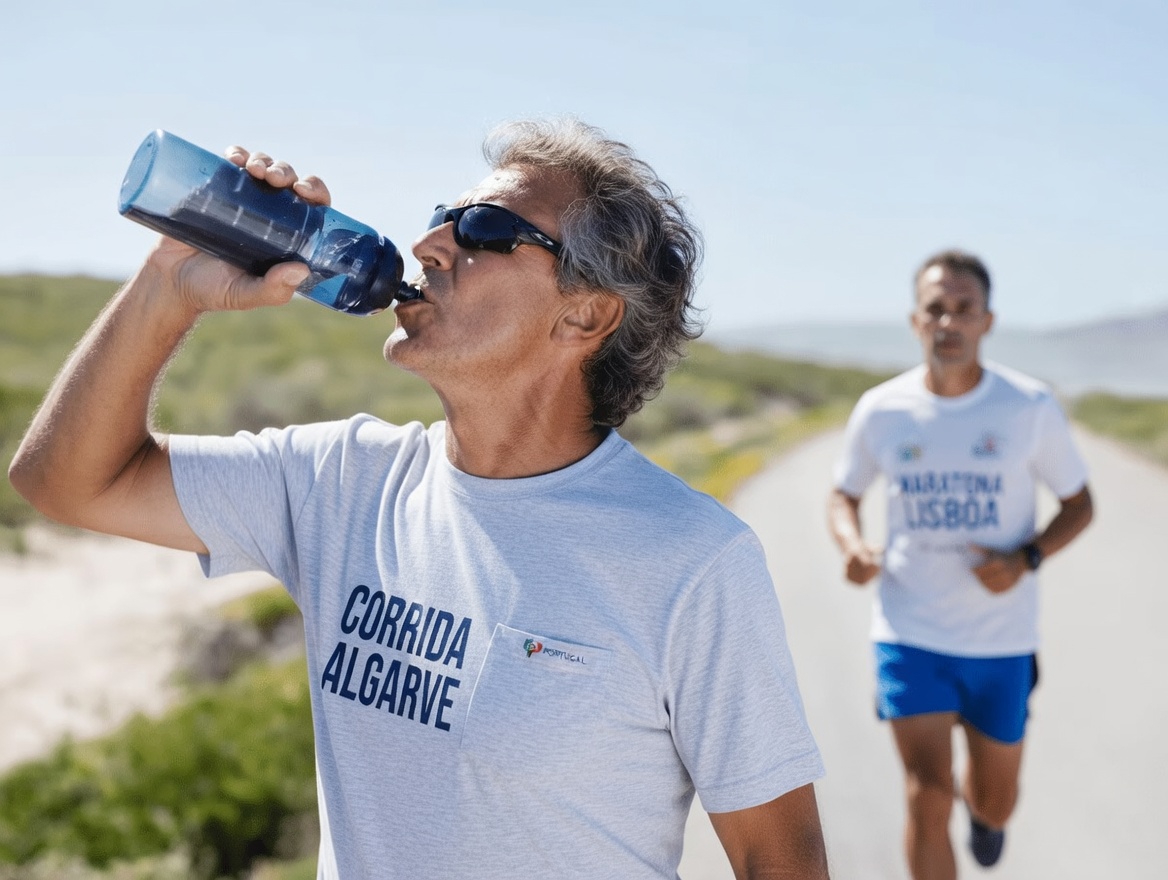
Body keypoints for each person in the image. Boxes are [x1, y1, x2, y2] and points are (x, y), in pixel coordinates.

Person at [11, 118, 830, 879]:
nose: (430, 244)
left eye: (483, 232)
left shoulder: (691, 560)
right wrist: (169, 286)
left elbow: (778, 860)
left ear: (585, 316)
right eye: (445, 217)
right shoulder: (341, 481)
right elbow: (67, 481)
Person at [827, 249, 1094, 879]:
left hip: (1002, 641)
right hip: (909, 633)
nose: (948, 321)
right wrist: (852, 546)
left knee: (995, 802)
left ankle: (987, 819)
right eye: (936, 309)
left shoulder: (1027, 407)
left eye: (963, 309)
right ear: (916, 321)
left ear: (987, 321)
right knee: (928, 795)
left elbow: (1080, 504)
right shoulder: (882, 409)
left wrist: (1026, 557)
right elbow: (845, 493)